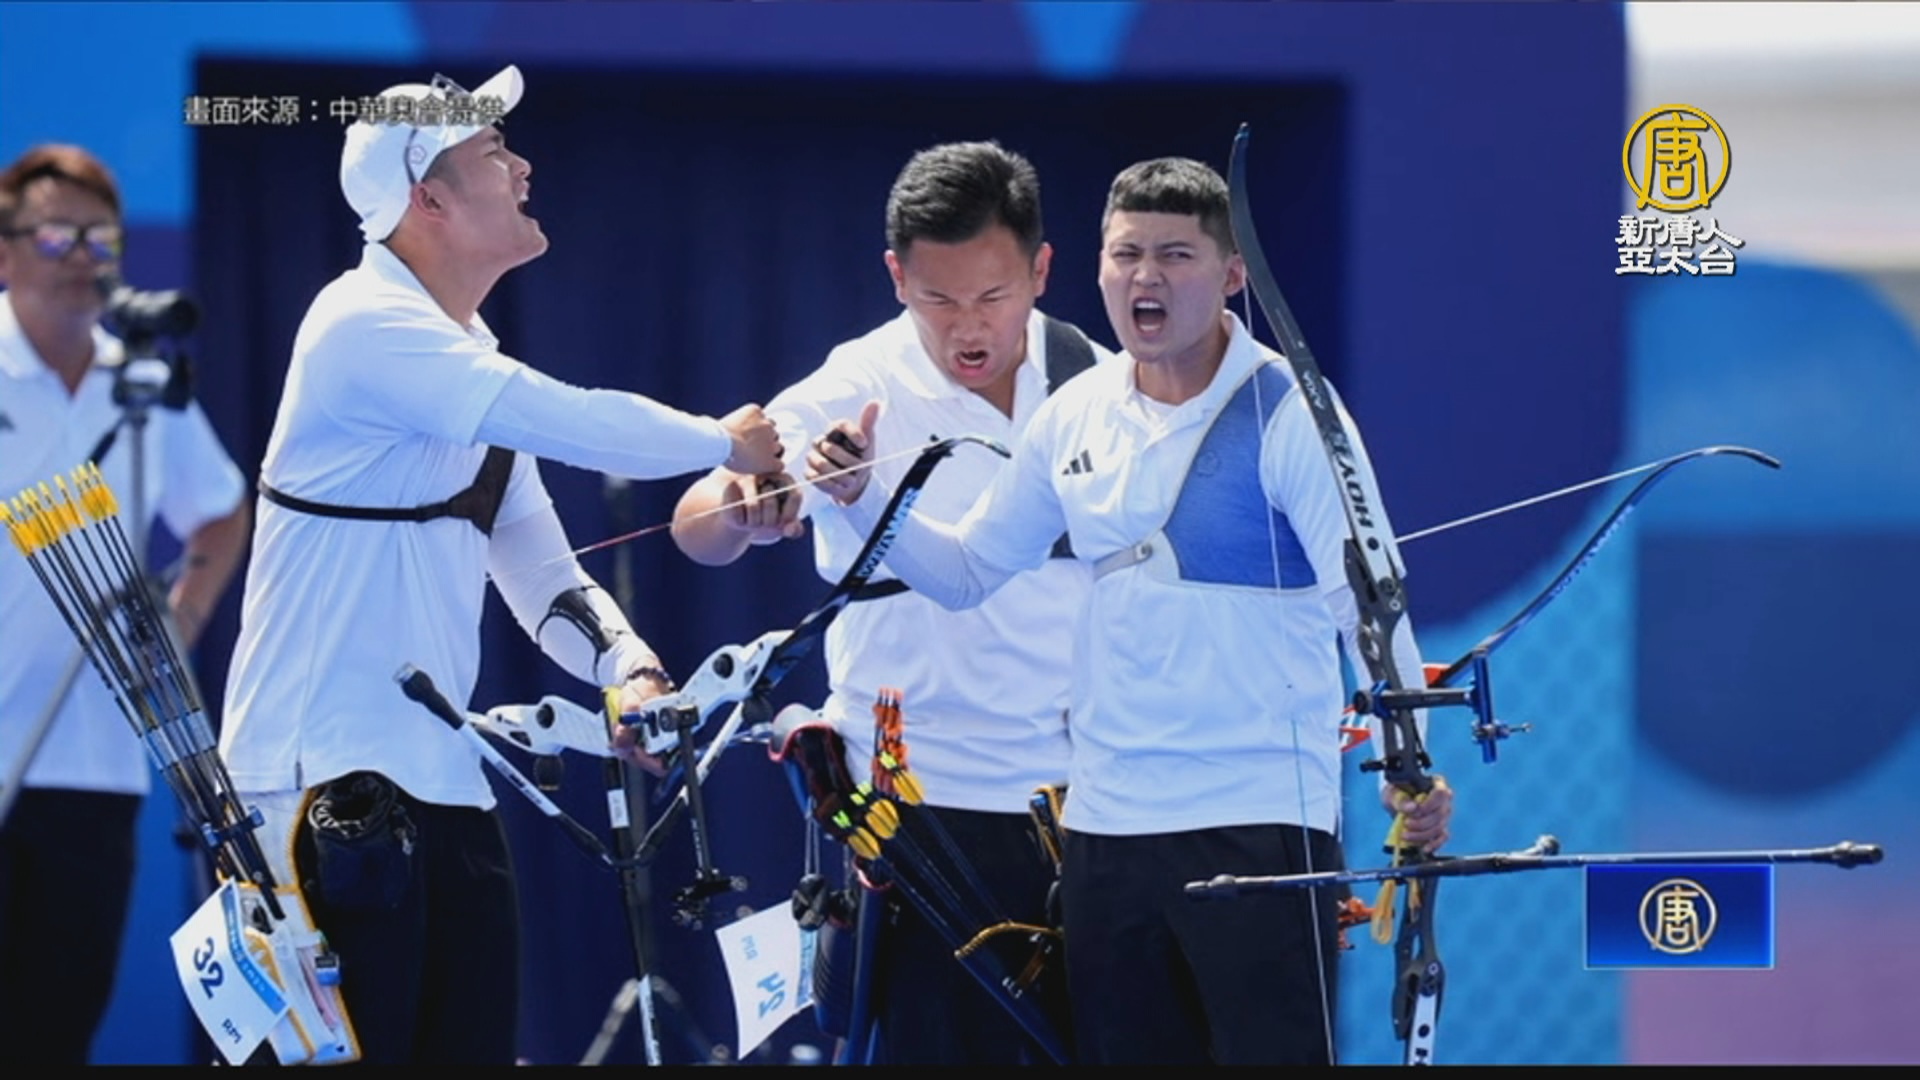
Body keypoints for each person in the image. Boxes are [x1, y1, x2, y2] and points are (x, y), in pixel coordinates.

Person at [809, 157, 1455, 1064]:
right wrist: (862, 500)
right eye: (1126, 255)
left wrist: (1409, 769)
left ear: (1232, 274)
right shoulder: (1074, 412)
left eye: (1176, 255)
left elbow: (1371, 603)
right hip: (1106, 830)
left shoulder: (1291, 414)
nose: (1146, 277)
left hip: (1258, 822)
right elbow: (965, 571)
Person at [216, 66, 784, 1065]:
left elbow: (543, 575)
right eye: (493, 152)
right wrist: (720, 440)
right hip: (311, 790)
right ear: (426, 198)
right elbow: (570, 420)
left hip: (444, 789)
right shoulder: (360, 324)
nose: (522, 167)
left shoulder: (463, 354)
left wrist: (631, 671)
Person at [670, 141, 1111, 1064]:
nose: (967, 327)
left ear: (1041, 270)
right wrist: (746, 506)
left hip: (1086, 803)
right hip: (917, 809)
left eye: (993, 296)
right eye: (937, 299)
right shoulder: (856, 385)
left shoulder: (1093, 379)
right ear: (896, 276)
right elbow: (697, 523)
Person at [0, 144, 252, 1064]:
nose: (80, 256)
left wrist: (178, 624)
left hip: (94, 768)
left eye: (99, 236)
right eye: (54, 235)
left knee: (53, 1036)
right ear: (5, 249)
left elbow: (222, 510)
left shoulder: (141, 384)